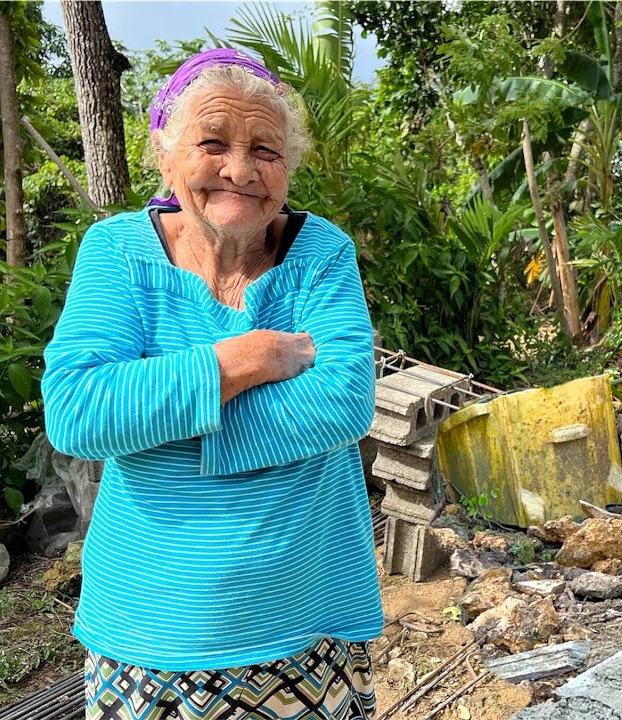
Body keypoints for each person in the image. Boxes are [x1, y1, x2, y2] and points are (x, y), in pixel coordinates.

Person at [42, 49, 382, 719]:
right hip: (152, 632)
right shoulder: (118, 252)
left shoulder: (321, 253)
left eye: (266, 149)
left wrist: (165, 426)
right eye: (212, 142)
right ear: (164, 155)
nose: (241, 169)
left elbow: (344, 400)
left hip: (306, 618)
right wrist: (242, 362)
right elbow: (78, 411)